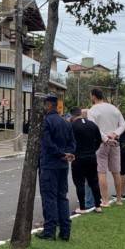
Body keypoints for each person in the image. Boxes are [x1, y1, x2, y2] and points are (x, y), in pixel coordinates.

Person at [37, 94, 76, 241]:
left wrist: (61, 154)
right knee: (62, 197)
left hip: (49, 164)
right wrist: (68, 154)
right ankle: (65, 231)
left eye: (44, 105)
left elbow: (47, 144)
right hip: (63, 165)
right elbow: (72, 143)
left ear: (48, 105)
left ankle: (49, 231)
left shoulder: (46, 122)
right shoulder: (66, 122)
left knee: (49, 198)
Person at [87, 88, 125, 206]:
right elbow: (123, 125)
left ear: (93, 96)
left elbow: (94, 128)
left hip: (101, 143)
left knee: (101, 172)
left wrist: (105, 138)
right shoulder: (114, 108)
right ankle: (119, 199)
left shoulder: (92, 110)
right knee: (116, 171)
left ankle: (105, 200)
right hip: (115, 142)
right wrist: (115, 134)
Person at [69, 107, 103, 214]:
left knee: (79, 183)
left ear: (72, 115)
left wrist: (71, 153)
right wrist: (93, 149)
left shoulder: (72, 126)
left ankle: (82, 208)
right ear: (81, 113)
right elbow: (99, 140)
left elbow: (68, 141)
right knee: (94, 181)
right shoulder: (92, 125)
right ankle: (98, 206)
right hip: (91, 157)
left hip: (78, 158)